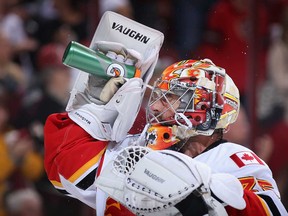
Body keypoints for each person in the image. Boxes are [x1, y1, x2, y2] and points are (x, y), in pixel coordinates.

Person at [44, 54, 287, 214]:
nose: (157, 106)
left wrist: (204, 195)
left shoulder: (231, 157)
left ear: (206, 109)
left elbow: (271, 211)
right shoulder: (132, 151)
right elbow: (66, 170)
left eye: (172, 97)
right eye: (159, 96)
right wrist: (95, 104)